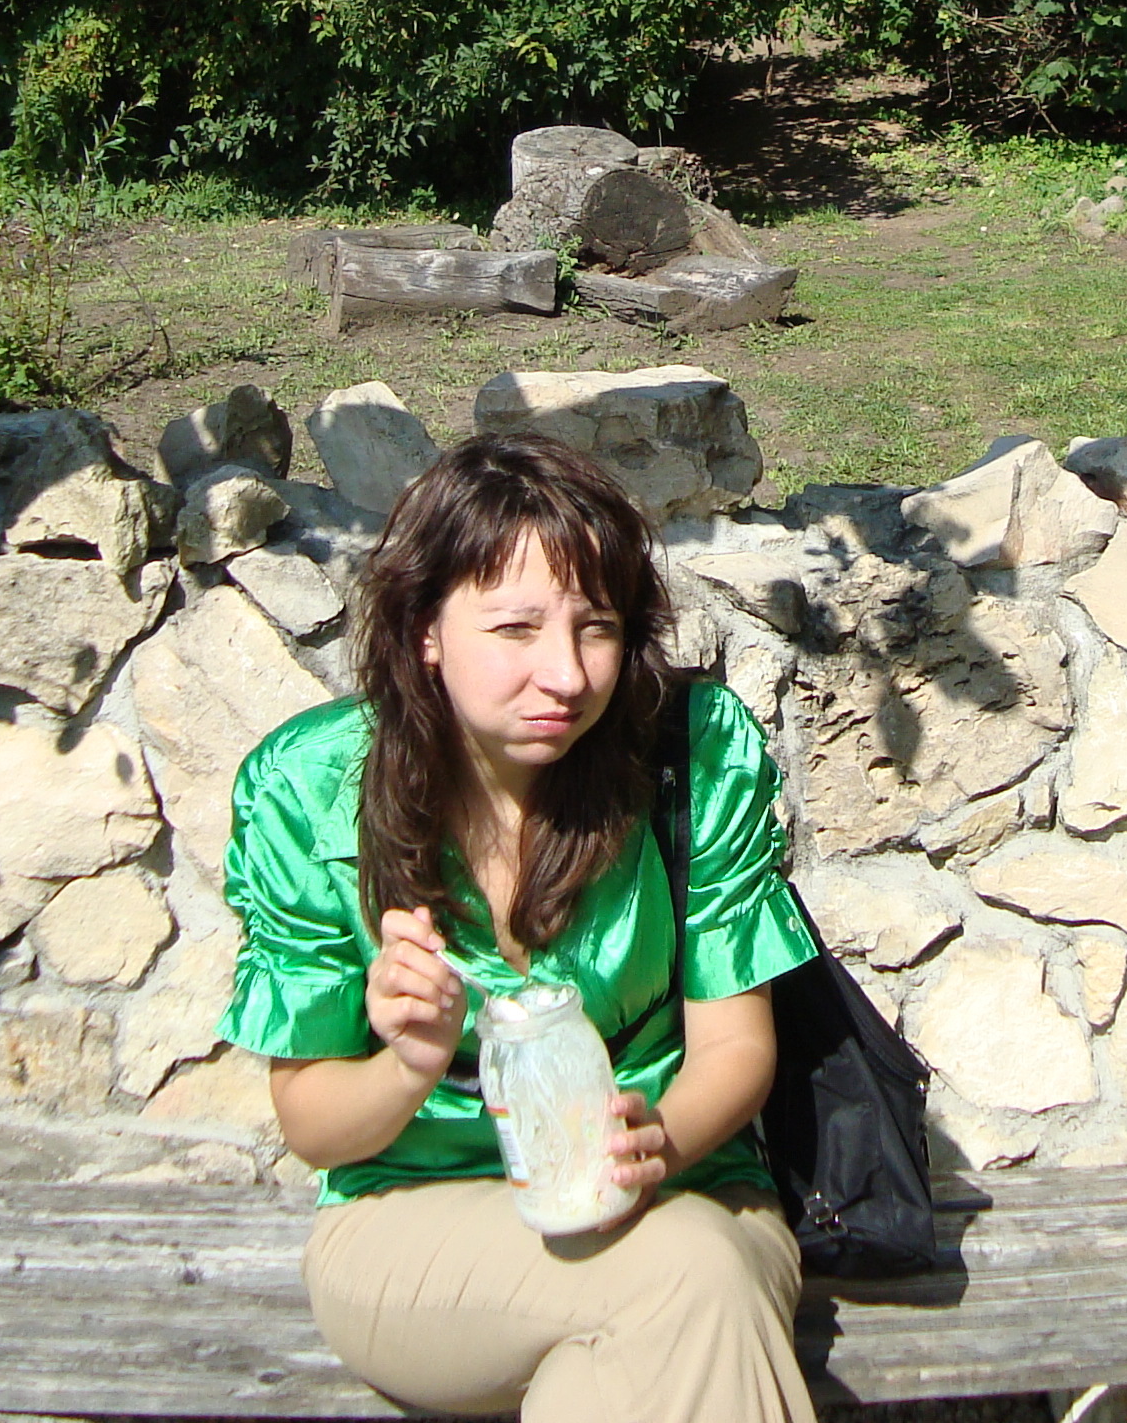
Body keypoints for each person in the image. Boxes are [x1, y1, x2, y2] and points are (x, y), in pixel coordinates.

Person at [222, 431, 822, 1421]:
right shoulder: (309, 788)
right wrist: (408, 1063)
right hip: (417, 1224)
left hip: (687, 1188)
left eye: (596, 628)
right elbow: (317, 1129)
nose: (566, 675)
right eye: (515, 629)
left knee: (662, 1313)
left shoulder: (694, 753)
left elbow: (736, 1049)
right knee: (690, 1280)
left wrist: (660, 1143)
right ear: (424, 626)